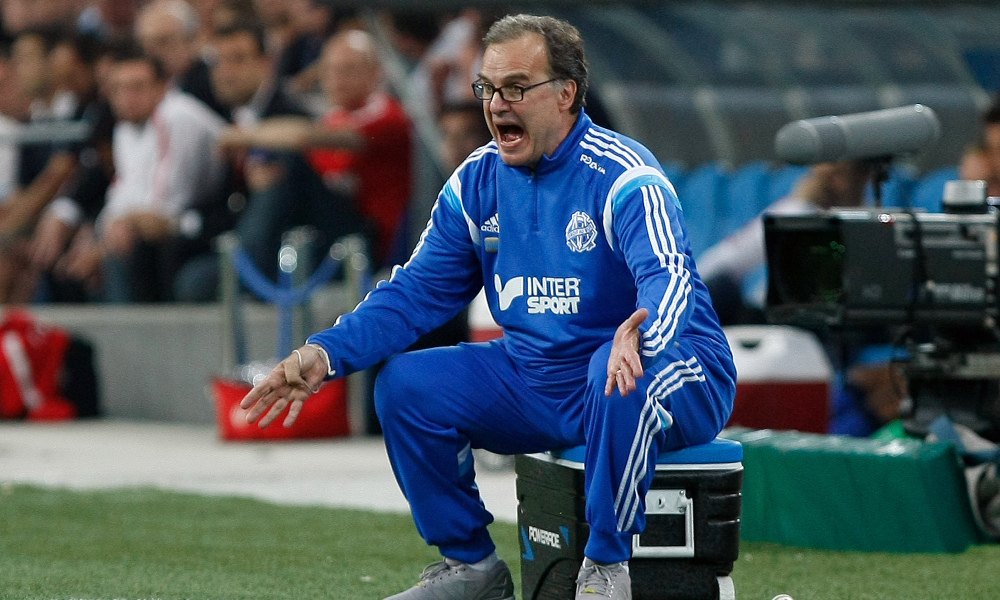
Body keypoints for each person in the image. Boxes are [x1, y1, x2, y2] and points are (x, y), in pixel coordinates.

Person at [240, 14, 735, 600]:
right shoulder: (476, 182)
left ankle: (606, 569)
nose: (498, 104)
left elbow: (670, 276)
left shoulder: (625, 176)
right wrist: (325, 352)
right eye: (488, 88)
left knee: (616, 372)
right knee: (406, 385)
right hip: (542, 376)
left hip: (673, 365)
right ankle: (472, 567)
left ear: (566, 93)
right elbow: (415, 292)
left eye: (517, 87)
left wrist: (641, 334)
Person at [217, 28, 411, 275]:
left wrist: (240, 135)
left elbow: (304, 137)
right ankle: (246, 263)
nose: (337, 79)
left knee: (291, 160)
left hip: (367, 240)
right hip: (321, 236)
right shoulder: (331, 118)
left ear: (375, 72)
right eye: (330, 71)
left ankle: (246, 264)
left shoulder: (388, 115)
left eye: (348, 70)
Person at [65, 48, 226, 302]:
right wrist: (104, 229)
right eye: (118, 89)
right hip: (181, 225)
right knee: (93, 247)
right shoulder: (126, 127)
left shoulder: (177, 116)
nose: (127, 97)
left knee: (123, 244)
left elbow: (163, 206)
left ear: (162, 87)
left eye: (137, 87)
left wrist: (109, 238)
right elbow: (122, 193)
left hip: (215, 223)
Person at [697, 159, 873, 325]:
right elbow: (732, 257)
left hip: (819, 319)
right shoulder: (795, 213)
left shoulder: (864, 224)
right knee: (721, 288)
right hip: (776, 318)